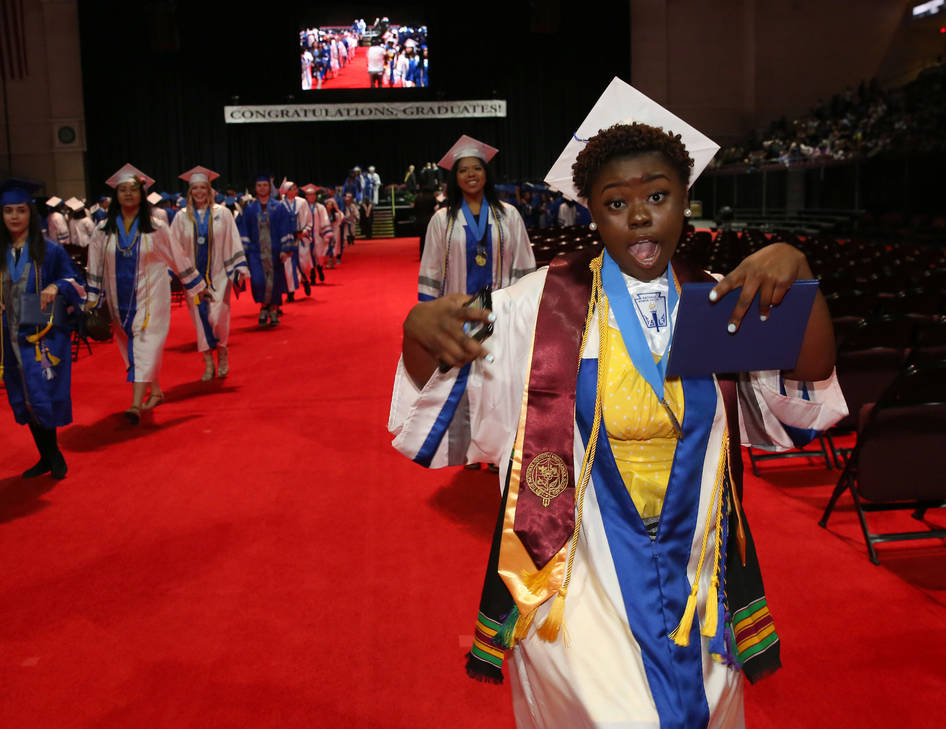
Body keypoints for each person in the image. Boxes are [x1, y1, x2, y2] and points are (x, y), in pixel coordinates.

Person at [388, 79, 847, 729]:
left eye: (657, 196)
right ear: (592, 214)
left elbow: (812, 381)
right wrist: (417, 331)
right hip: (577, 584)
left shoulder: (716, 303)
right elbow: (432, 400)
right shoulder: (534, 307)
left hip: (697, 586)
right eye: (615, 202)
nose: (639, 216)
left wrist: (799, 273)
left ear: (686, 199)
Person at [0, 179, 85, 479]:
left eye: (20, 210)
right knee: (26, 397)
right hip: (9, 337)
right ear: (1, 216)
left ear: (31, 214)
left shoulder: (51, 251)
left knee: (44, 391)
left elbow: (76, 282)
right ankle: (45, 456)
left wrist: (57, 287)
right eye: (8, 211)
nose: (14, 216)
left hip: (43, 335)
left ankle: (53, 454)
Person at [85, 164, 210, 424]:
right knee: (134, 346)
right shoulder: (102, 230)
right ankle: (155, 390)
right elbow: (95, 264)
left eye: (134, 189)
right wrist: (93, 298)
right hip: (119, 301)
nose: (128, 194)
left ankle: (134, 405)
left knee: (143, 343)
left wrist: (197, 285)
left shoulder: (156, 227)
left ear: (142, 195)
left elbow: (177, 256)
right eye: (123, 190)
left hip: (151, 297)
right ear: (115, 195)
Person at [417, 135, 536, 302]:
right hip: (457, 312)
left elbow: (523, 264)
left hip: (503, 312)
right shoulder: (442, 220)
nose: (471, 174)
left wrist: (521, 305)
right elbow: (431, 268)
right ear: (456, 178)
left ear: (486, 174)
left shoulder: (509, 215)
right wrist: (429, 310)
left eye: (477, 168)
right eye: (463, 170)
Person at [170, 166, 247, 379]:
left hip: (219, 275)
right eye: (195, 188)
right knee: (199, 319)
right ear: (190, 191)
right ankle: (208, 362)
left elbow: (233, 238)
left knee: (218, 316)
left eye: (203, 187)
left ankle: (222, 352)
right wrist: (176, 273)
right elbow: (174, 246)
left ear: (209, 189)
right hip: (193, 279)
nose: (199, 192)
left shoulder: (222, 213)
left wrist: (239, 268)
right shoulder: (180, 218)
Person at [239, 175, 296, 326]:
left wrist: (285, 249)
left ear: (270, 188)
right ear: (255, 189)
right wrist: (244, 252)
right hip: (255, 253)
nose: (262, 188)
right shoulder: (250, 209)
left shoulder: (278, 207)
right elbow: (244, 230)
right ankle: (264, 305)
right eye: (259, 186)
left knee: (274, 281)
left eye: (265, 185)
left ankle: (272, 308)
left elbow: (285, 228)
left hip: (275, 251)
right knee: (258, 281)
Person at [279, 179, 311, 299]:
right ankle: (290, 292)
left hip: (300, 236)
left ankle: (305, 279)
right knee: (288, 265)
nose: (295, 190)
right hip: (287, 238)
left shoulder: (302, 203)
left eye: (296, 188)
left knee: (301, 263)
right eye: (292, 188)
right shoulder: (281, 204)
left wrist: (305, 231)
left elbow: (308, 219)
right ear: (286, 191)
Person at [300, 184, 332, 282]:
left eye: (313, 194)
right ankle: (312, 274)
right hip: (307, 235)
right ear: (306, 196)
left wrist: (325, 233)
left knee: (319, 255)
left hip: (318, 234)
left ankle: (320, 269)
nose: (312, 197)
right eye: (310, 195)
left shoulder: (320, 207)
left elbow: (325, 219)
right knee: (308, 255)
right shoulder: (302, 208)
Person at [324, 197, 345, 267]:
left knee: (333, 246)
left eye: (331, 205)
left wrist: (338, 210)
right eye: (328, 205)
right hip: (325, 232)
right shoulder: (323, 213)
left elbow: (342, 217)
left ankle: (331, 262)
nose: (329, 206)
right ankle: (328, 261)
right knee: (326, 247)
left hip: (334, 232)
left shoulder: (335, 215)